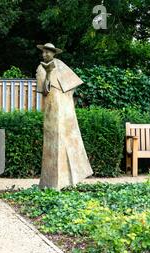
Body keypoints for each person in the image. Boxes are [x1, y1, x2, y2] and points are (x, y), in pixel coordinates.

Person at [35, 43, 93, 190]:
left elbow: (73, 83)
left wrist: (66, 96)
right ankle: (52, 181)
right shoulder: (41, 68)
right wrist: (48, 73)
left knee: (68, 138)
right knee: (54, 142)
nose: (45, 54)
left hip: (65, 107)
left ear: (54, 53)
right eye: (44, 52)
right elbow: (44, 90)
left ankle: (69, 179)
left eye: (48, 52)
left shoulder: (60, 65)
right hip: (51, 108)